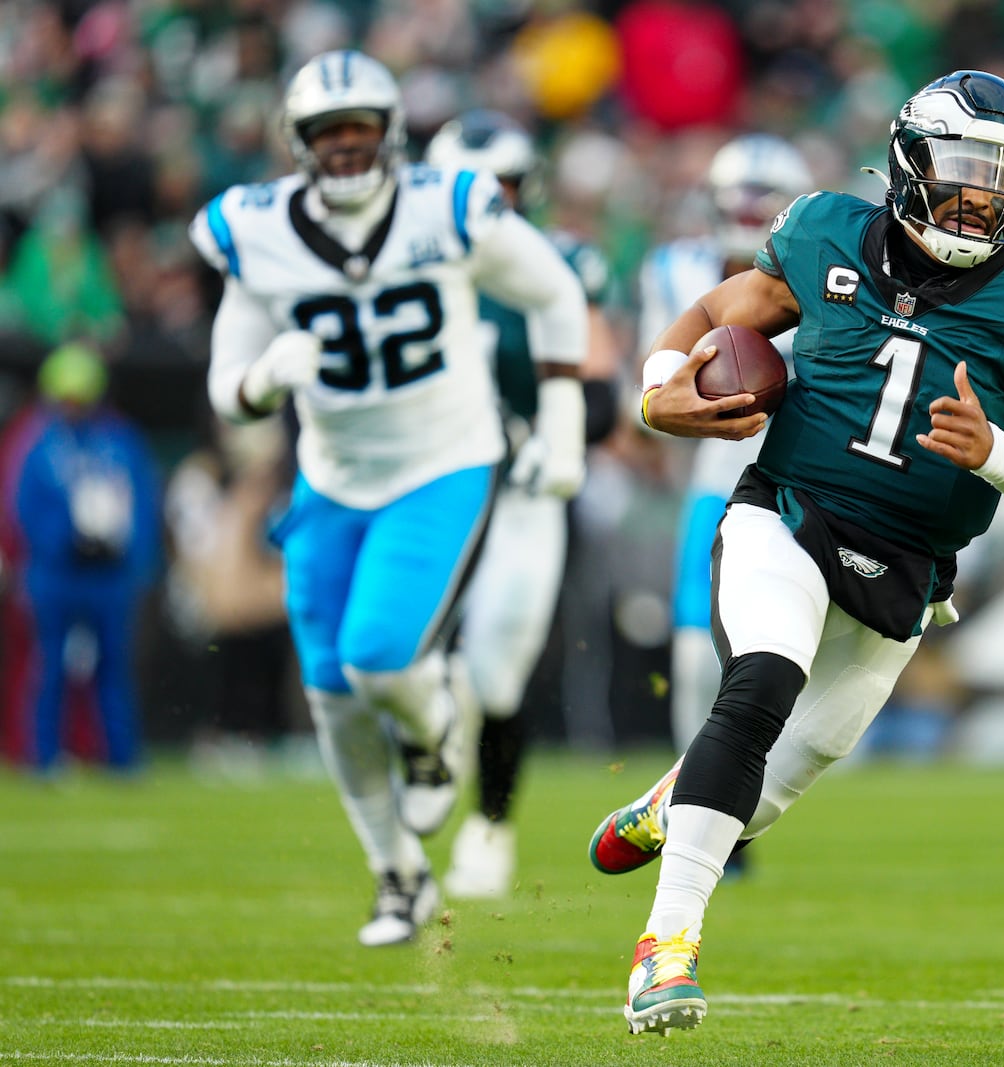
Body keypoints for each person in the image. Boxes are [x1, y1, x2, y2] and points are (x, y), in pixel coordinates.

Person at [589, 70, 1004, 1035]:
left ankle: (672, 801)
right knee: (759, 688)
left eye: (999, 175)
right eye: (959, 169)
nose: (977, 195)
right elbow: (712, 318)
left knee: (774, 782)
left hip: (908, 567)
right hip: (784, 511)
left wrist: (998, 455)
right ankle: (665, 953)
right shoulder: (826, 232)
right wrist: (660, 390)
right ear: (909, 161)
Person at [188, 51, 588, 946]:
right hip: (331, 476)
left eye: (359, 129)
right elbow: (226, 383)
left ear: (391, 133)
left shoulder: (445, 206)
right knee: (329, 686)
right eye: (328, 133)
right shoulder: (254, 229)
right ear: (297, 143)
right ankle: (396, 873)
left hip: (443, 461)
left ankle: (431, 725)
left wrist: (561, 427)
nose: (344, 148)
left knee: (376, 654)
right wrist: (262, 381)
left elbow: (556, 293)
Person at [424, 109, 612, 899]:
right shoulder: (410, 261)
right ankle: (419, 791)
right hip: (429, 482)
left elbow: (603, 393)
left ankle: (491, 823)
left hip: (524, 490)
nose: (486, 204)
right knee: (411, 654)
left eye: (499, 186)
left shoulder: (558, 263)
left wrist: (550, 434)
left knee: (499, 665)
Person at [639, 133, 813, 877]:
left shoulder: (824, 270)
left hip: (806, 478)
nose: (744, 213)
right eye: (735, 198)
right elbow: (663, 377)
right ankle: (708, 820)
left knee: (778, 665)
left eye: (761, 200)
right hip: (719, 476)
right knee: (690, 651)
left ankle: (735, 802)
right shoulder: (673, 269)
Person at [13, 342, 161, 774]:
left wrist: (136, 560)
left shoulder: (120, 441)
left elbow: (143, 504)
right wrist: (62, 542)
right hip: (57, 573)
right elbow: (23, 508)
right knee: (50, 665)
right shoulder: (39, 445)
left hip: (109, 574)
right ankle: (42, 758)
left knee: (114, 666)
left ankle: (121, 758)